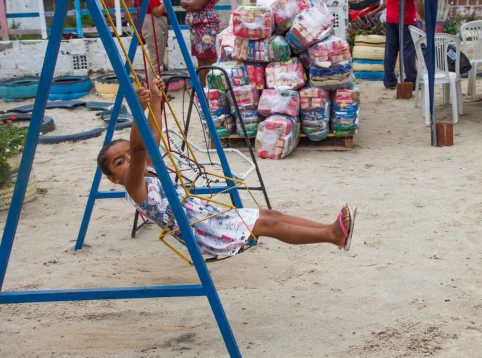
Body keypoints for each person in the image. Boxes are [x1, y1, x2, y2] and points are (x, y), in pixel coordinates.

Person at [96, 78, 357, 258]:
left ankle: (329, 229)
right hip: (202, 233)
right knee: (269, 224)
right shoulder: (134, 186)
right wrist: (137, 113)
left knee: (270, 214)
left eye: (128, 155)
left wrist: (154, 100)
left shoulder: (148, 171)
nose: (129, 160)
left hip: (207, 218)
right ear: (112, 179)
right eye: (121, 162)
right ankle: (332, 235)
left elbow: (151, 142)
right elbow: (140, 148)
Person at [368, 0, 425, 90]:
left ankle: (389, 81)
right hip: (407, 18)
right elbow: (418, 2)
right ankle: (411, 81)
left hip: (391, 18)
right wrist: (424, 19)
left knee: (390, 50)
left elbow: (386, 2)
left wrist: (374, 12)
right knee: (408, 51)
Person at [180, 0, 220, 87]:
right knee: (200, 57)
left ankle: (215, 87)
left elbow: (196, 6)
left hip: (206, 23)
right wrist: (190, 4)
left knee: (210, 57)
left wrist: (189, 5)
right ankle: (203, 88)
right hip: (194, 23)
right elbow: (182, 2)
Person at [137, 0, 169, 88]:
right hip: (153, 20)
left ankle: (155, 91)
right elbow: (157, 11)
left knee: (157, 61)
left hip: (156, 20)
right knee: (155, 62)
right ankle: (153, 92)